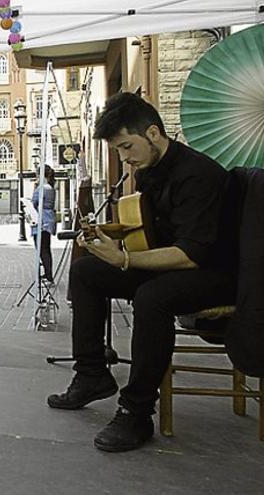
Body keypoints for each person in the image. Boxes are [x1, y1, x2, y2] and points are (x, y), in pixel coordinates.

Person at [47, 92, 238, 452]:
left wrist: (124, 260)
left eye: (126, 147)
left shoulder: (198, 175)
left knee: (153, 297)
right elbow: (150, 232)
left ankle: (136, 412)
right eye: (119, 151)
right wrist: (108, 237)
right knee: (87, 272)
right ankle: (91, 374)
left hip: (217, 274)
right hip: (175, 264)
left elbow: (190, 254)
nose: (125, 158)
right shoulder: (150, 170)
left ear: (153, 133)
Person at [31, 164, 57, 284]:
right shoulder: (50, 188)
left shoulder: (41, 188)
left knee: (42, 250)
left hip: (41, 221)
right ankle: (48, 274)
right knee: (46, 249)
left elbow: (34, 204)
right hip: (49, 220)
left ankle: (48, 276)